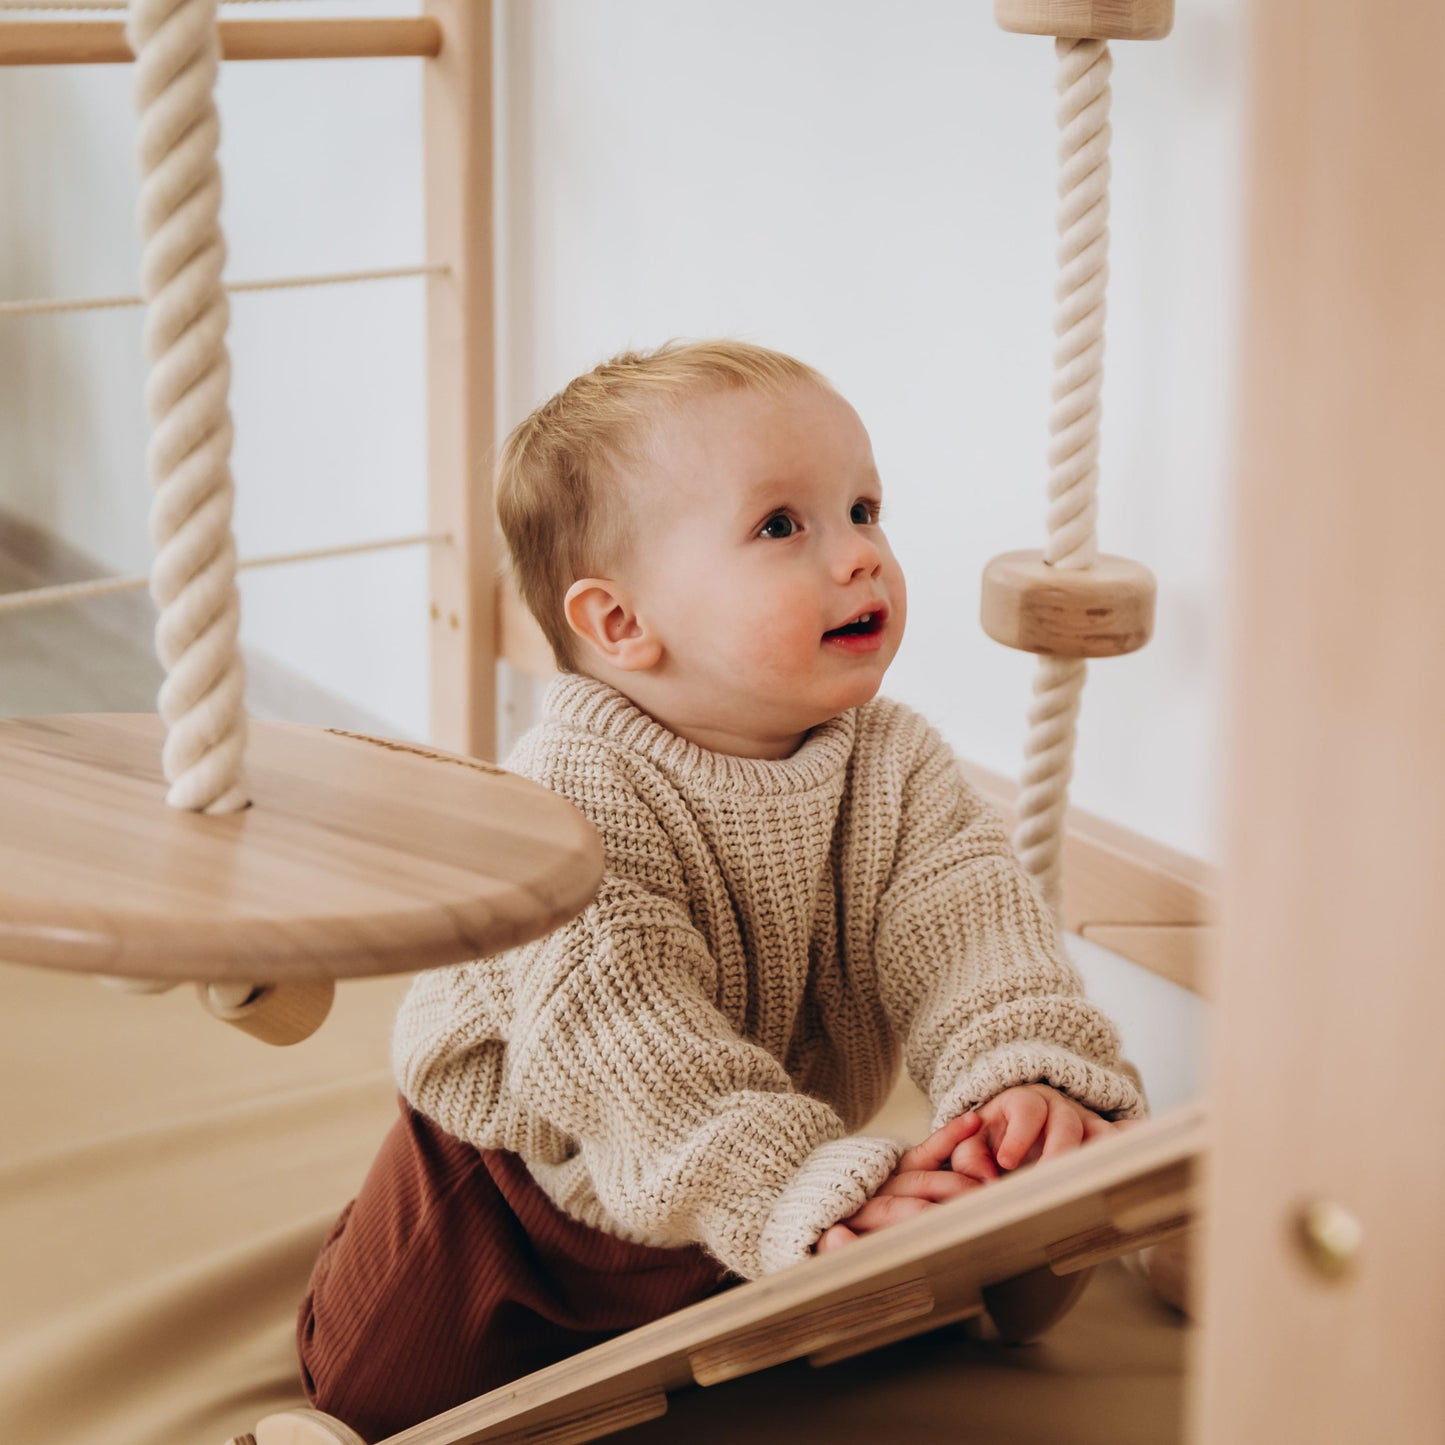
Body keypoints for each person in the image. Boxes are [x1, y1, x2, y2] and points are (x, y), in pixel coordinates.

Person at [297, 340, 1145, 1438]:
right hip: (526, 1187)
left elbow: (972, 931)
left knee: (865, 1237)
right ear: (618, 623)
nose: (859, 558)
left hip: (754, 1164)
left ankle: (976, 1212)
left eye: (863, 507)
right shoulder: (567, 796)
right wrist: (798, 1183)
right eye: (782, 526)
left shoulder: (894, 762)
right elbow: (627, 1049)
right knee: (375, 1394)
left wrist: (1018, 1078)